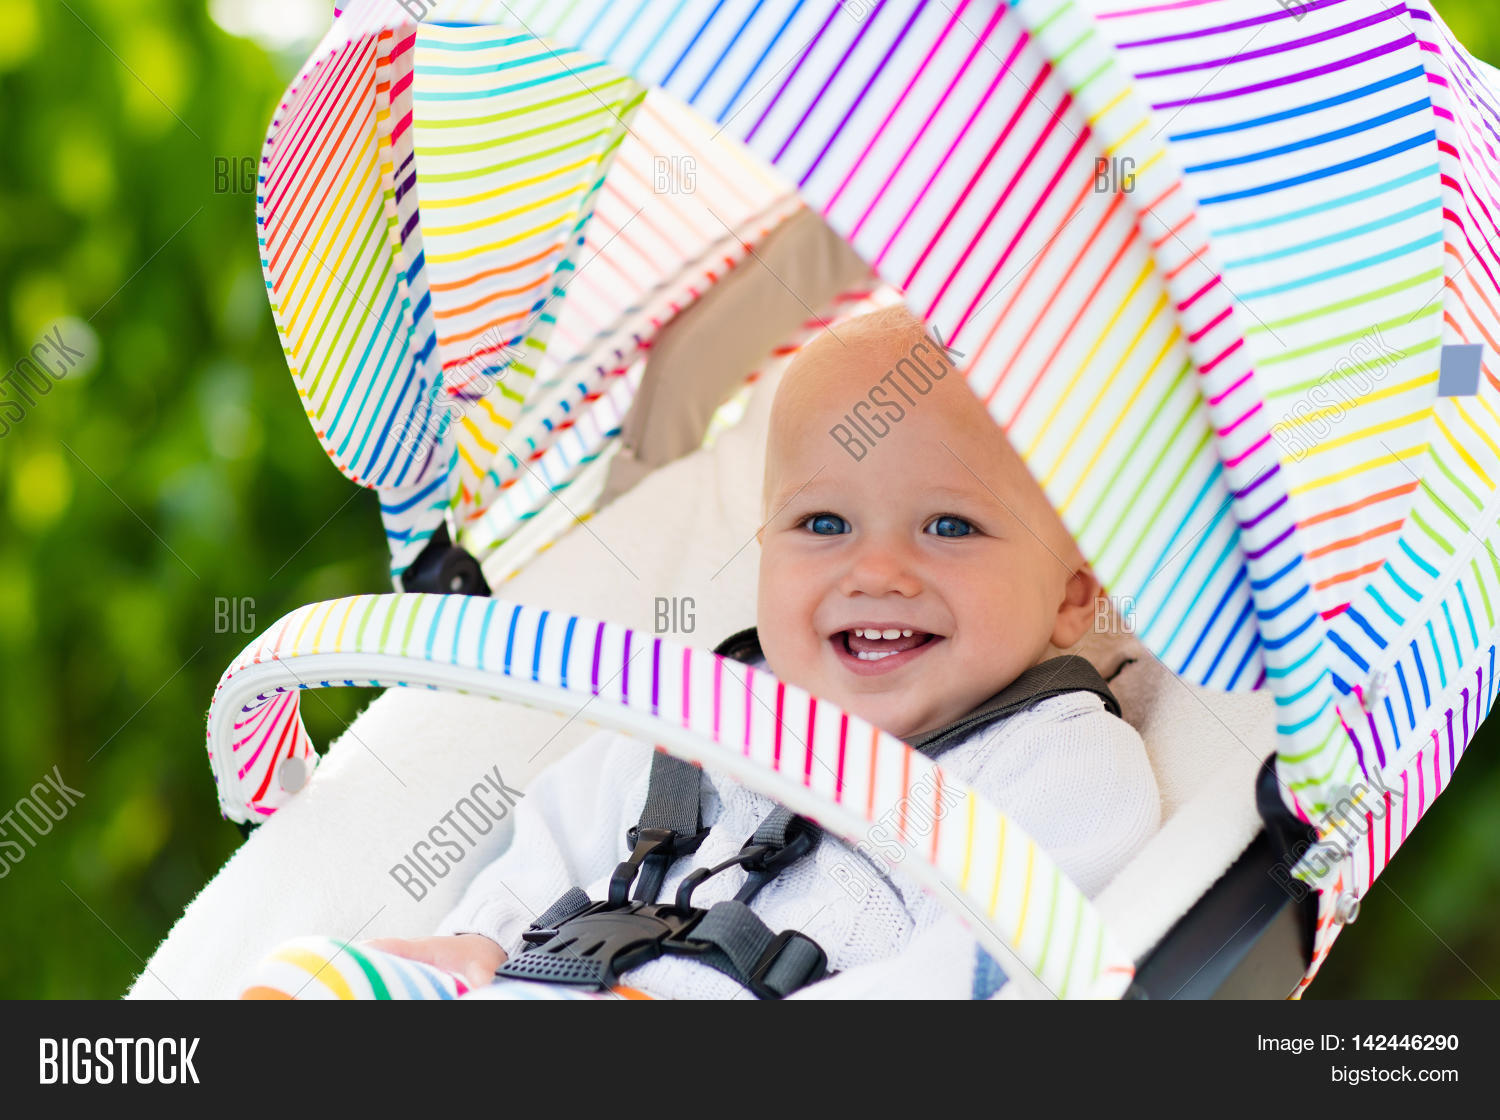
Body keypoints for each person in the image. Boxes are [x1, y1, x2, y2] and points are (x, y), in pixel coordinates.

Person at [242, 304, 1160, 1000]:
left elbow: (984, 971)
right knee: (314, 975)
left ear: (1075, 593)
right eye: (824, 522)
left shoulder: (1063, 761)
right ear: (764, 552)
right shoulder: (704, 713)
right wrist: (485, 939)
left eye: (951, 526)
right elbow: (559, 830)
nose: (876, 569)